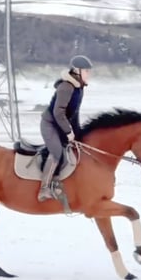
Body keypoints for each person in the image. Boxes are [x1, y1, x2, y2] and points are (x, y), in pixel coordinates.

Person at [38, 54, 93, 202]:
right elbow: (58, 112)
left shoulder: (79, 88)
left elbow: (74, 114)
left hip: (61, 124)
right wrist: (69, 132)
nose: (89, 74)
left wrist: (78, 134)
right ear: (77, 71)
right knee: (57, 153)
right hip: (50, 124)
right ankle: (44, 188)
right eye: (87, 71)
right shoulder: (66, 87)